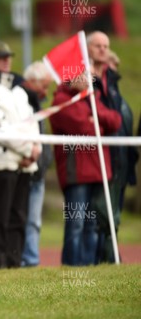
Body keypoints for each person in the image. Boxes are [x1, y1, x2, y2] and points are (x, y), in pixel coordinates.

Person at [0, 41, 41, 270]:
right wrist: (26, 149)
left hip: (25, 164)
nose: (6, 61)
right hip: (2, 163)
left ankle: (14, 263)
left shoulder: (19, 91)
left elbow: (31, 122)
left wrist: (35, 150)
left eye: (8, 56)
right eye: (0, 57)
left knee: (19, 217)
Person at [50, 73, 121, 266]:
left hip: (97, 171)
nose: (88, 80)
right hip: (77, 173)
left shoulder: (91, 98)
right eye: (83, 76)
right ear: (71, 78)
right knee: (76, 223)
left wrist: (94, 117)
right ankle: (73, 266)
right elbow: (85, 128)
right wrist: (96, 122)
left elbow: (115, 121)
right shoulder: (61, 101)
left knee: (92, 223)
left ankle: (89, 265)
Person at [87, 32, 138, 263]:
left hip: (120, 160)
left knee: (112, 214)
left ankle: (109, 258)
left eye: (106, 46)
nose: (103, 50)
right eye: (98, 46)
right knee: (100, 213)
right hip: (98, 159)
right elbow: (98, 116)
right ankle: (98, 259)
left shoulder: (114, 88)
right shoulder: (86, 80)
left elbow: (119, 121)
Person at [19, 61, 53, 267]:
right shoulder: (20, 100)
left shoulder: (39, 103)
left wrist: (44, 161)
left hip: (38, 172)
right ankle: (23, 259)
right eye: (44, 86)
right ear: (32, 82)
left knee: (34, 221)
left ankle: (31, 259)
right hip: (23, 170)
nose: (46, 91)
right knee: (24, 219)